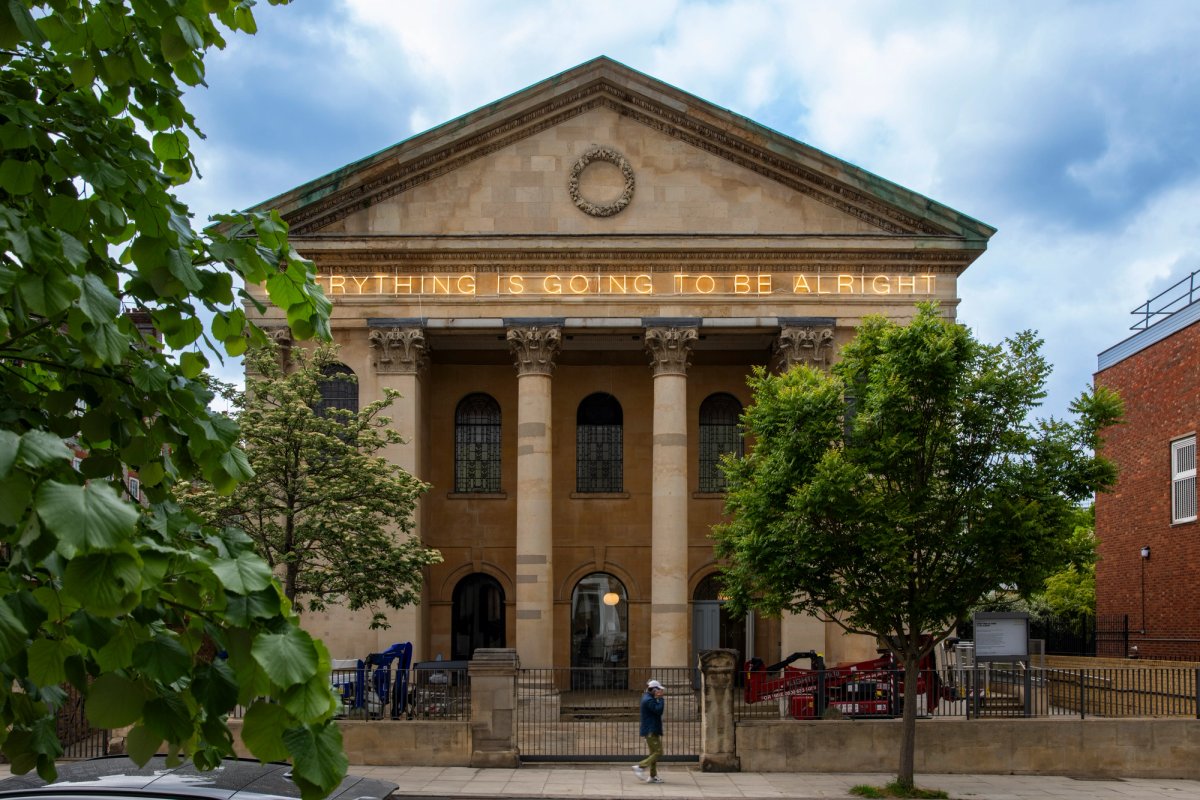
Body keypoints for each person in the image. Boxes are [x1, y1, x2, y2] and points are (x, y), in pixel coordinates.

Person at [632, 679, 665, 783]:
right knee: (659, 752)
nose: (660, 691)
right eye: (658, 689)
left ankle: (653, 776)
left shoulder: (648, 697)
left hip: (652, 729)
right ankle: (640, 767)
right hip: (651, 729)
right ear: (654, 690)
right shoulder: (648, 700)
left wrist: (658, 698)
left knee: (653, 753)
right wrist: (661, 698)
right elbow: (659, 710)